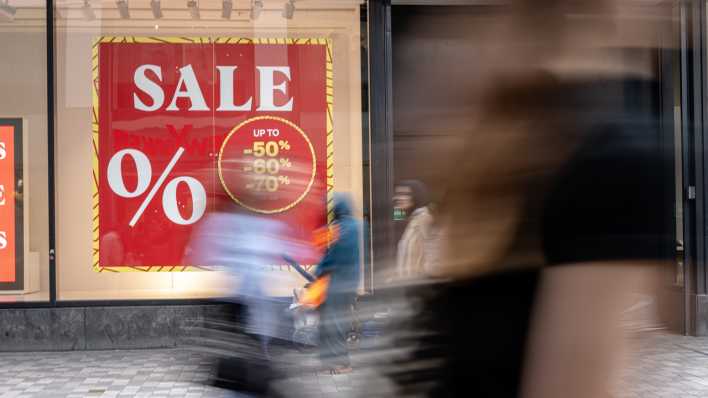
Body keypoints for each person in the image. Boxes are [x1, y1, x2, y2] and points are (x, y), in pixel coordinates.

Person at [314, 193, 362, 374]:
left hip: (335, 284)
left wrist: (318, 272)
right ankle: (335, 363)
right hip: (350, 284)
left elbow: (331, 258)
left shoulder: (338, 228)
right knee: (338, 323)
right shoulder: (357, 227)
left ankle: (342, 364)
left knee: (332, 323)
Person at [394, 180, 435, 279]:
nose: (397, 198)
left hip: (417, 286)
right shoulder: (411, 219)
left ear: (417, 196)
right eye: (397, 194)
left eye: (404, 194)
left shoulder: (424, 218)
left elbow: (432, 257)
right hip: (406, 284)